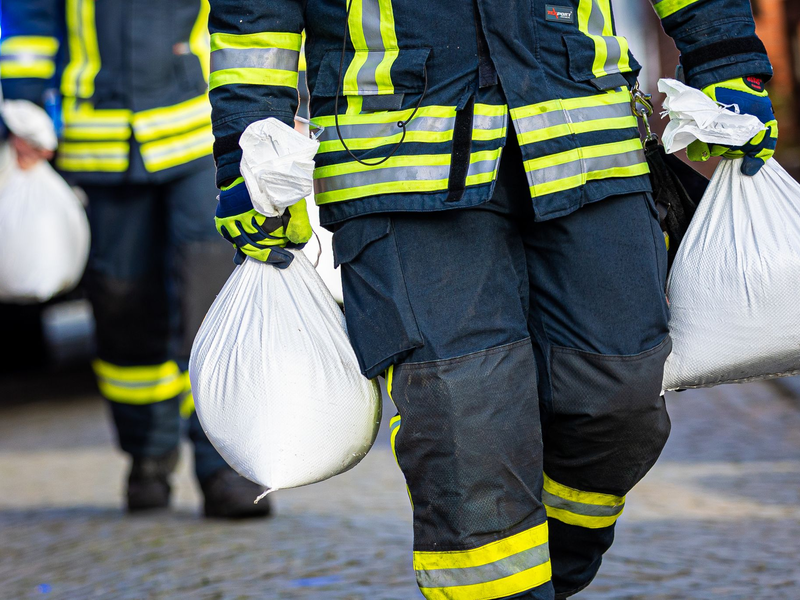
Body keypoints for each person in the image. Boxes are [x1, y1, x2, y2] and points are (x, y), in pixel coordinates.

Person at [207, 0, 777, 596]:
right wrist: (245, 154)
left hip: (584, 132)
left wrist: (726, 58)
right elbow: (256, 16)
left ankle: (551, 575)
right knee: (465, 426)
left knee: (618, 401)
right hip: (399, 168)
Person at [0, 0, 271, 519]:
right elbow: (29, 25)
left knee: (209, 302)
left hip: (199, 135)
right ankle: (147, 457)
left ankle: (225, 468)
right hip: (99, 144)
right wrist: (26, 110)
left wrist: (273, 105)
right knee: (123, 306)